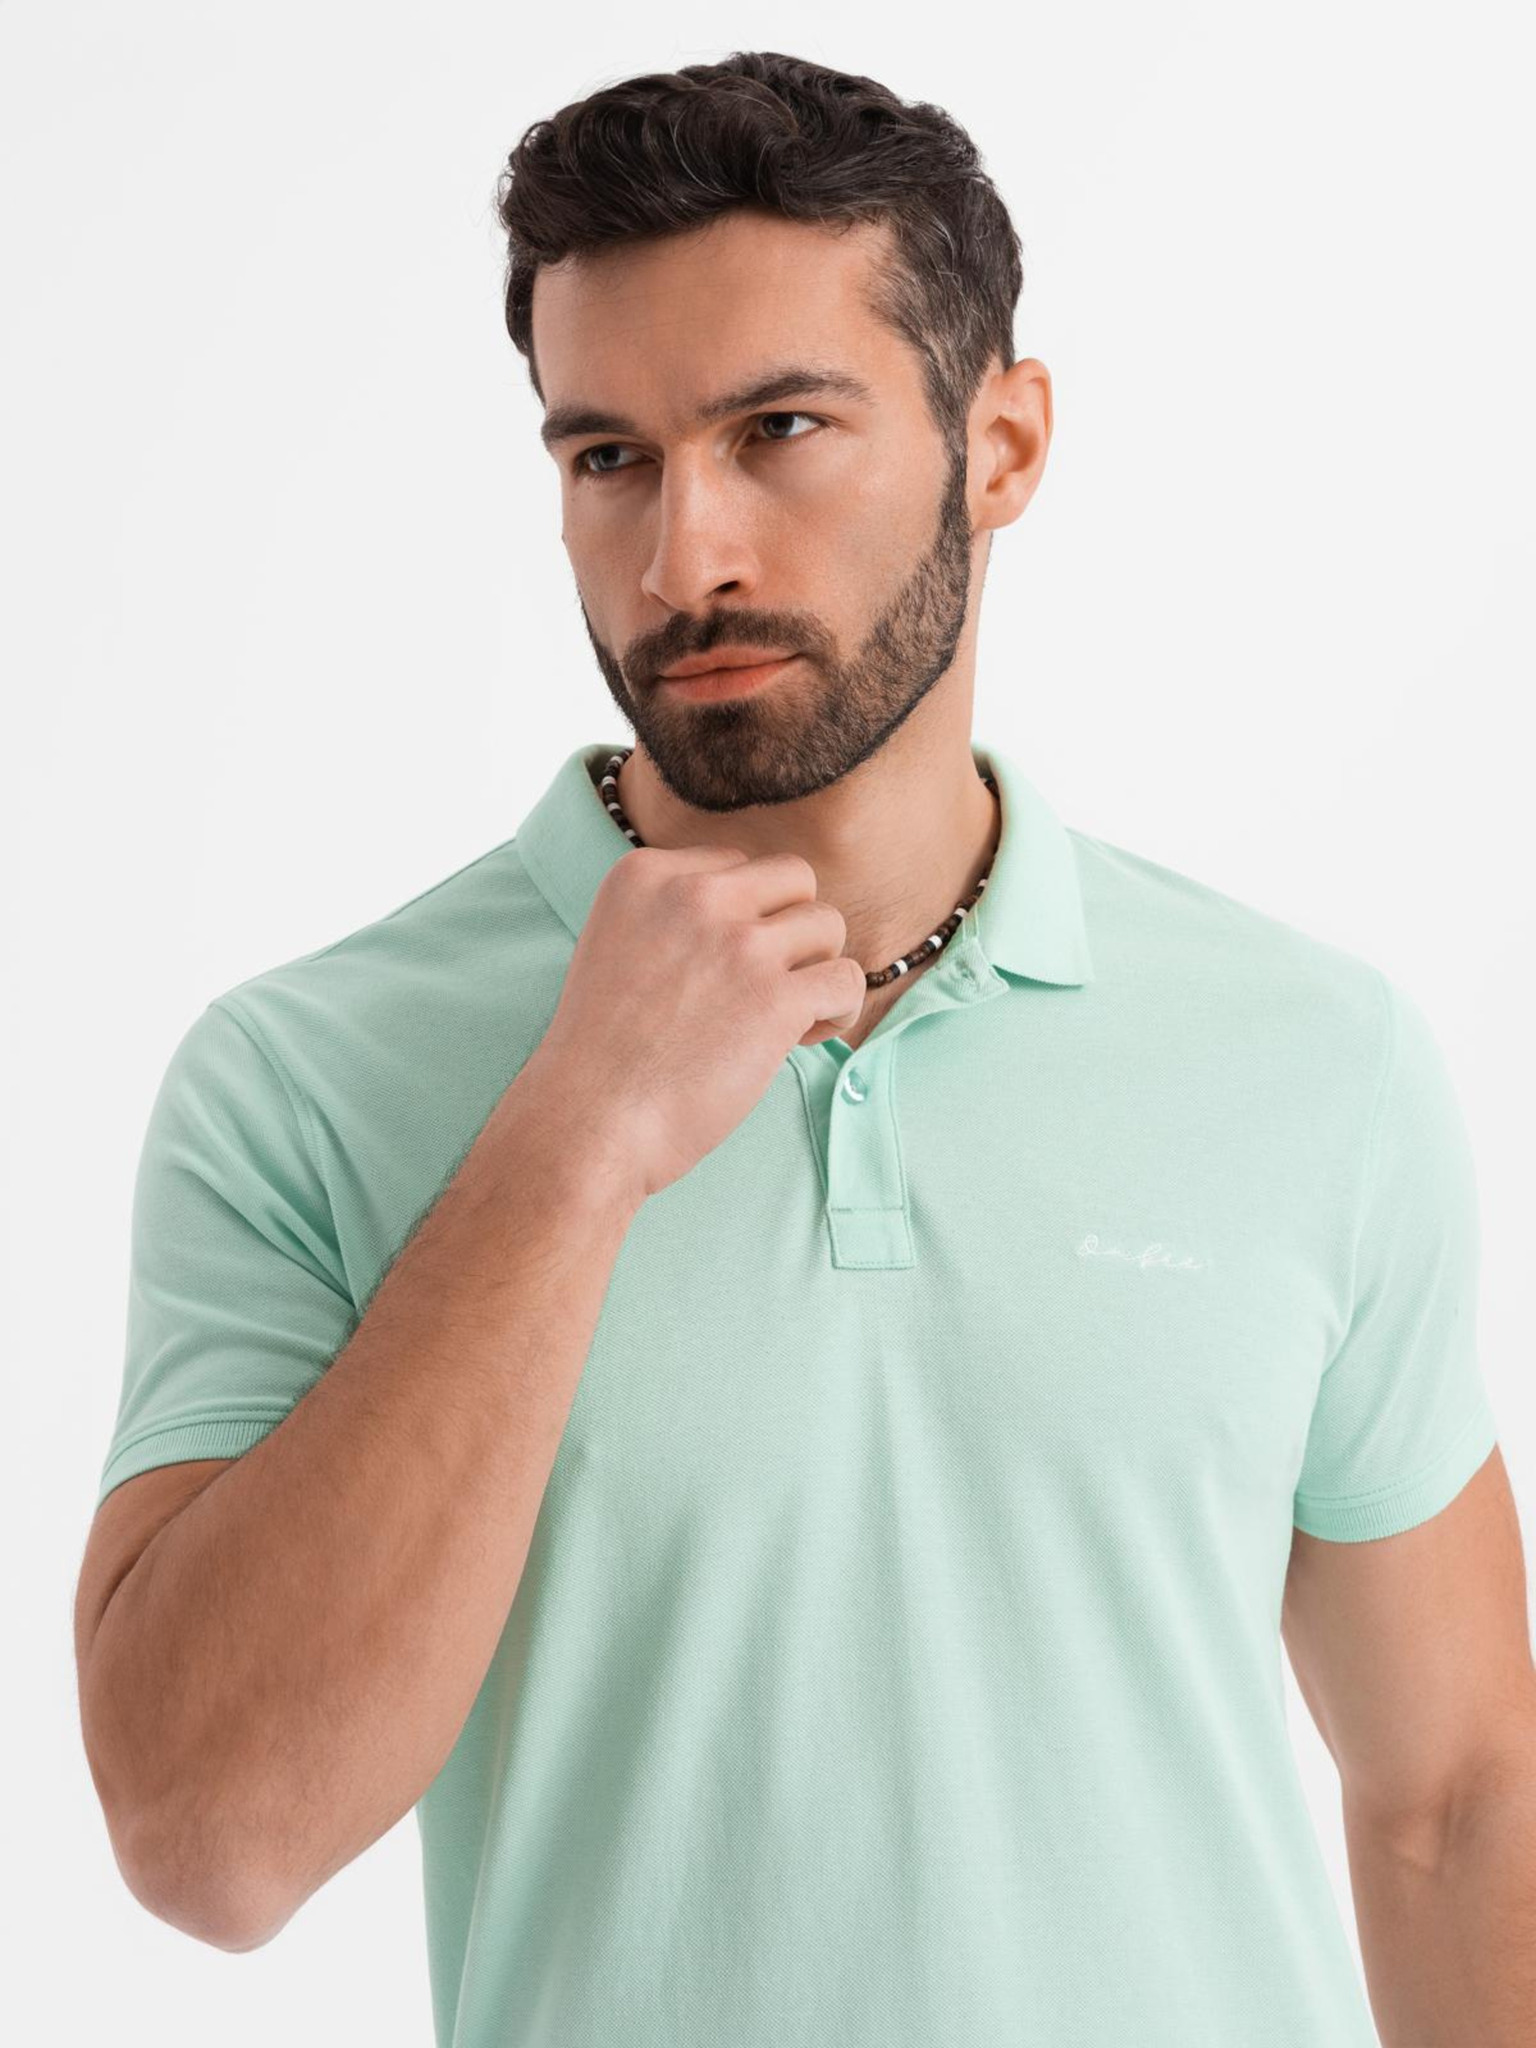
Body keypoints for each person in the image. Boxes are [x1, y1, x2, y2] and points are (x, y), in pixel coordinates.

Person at [75, 49, 1534, 2048]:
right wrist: (575, 1136)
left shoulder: (1313, 1062)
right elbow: (209, 1842)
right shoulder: (305, 1080)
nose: (686, 560)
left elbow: (1456, 1801)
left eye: (778, 431)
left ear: (1000, 444)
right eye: (609, 458)